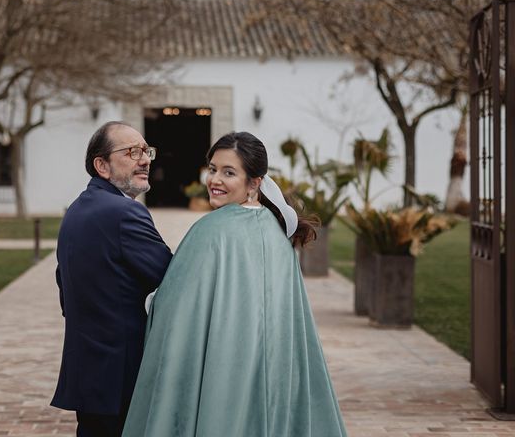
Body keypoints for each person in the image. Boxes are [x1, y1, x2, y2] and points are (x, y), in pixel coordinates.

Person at [122, 132, 348, 437]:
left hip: (224, 374)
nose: (215, 179)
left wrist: (152, 300)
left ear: (254, 182)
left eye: (229, 172)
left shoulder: (210, 231)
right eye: (213, 169)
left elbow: (176, 313)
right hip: (273, 373)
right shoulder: (277, 230)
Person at [51, 121, 173, 437]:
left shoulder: (77, 209)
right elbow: (172, 279)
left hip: (89, 370)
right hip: (120, 373)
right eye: (132, 152)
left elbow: (64, 288)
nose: (144, 159)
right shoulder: (124, 213)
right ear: (102, 165)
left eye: (146, 151)